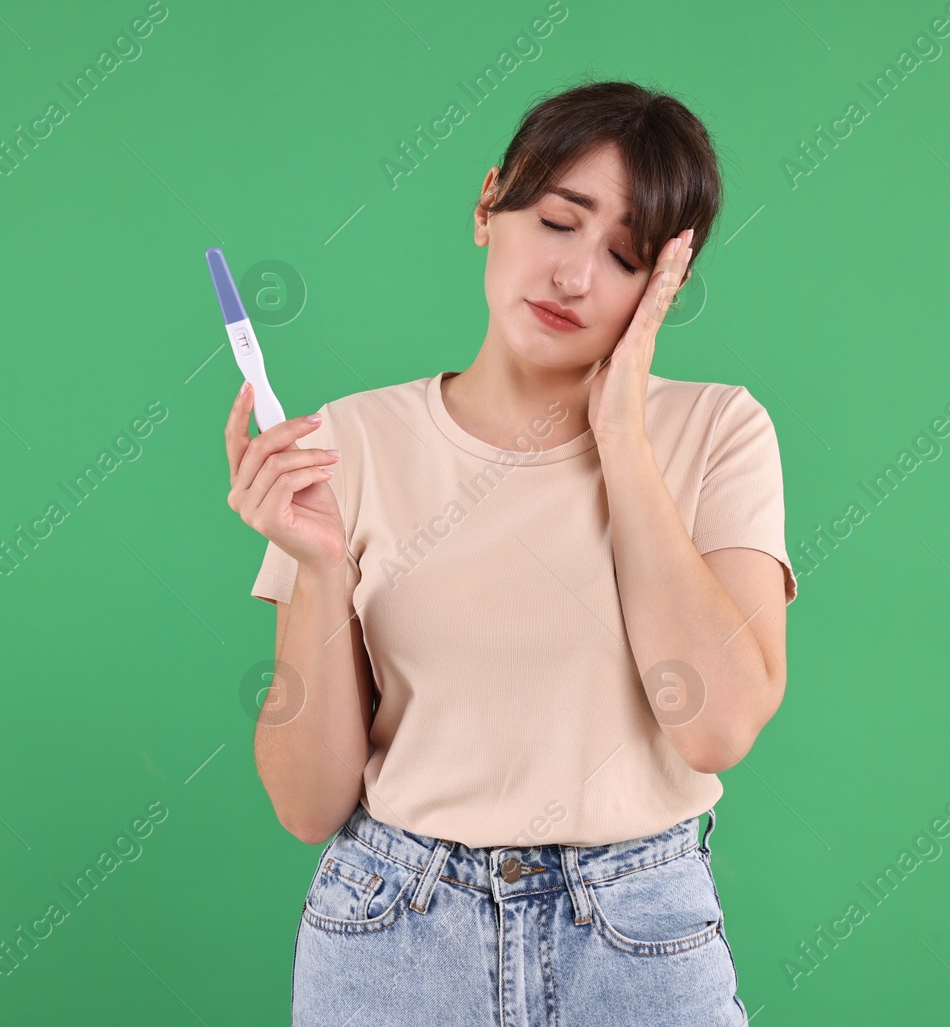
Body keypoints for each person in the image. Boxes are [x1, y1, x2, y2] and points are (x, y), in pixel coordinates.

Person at [226, 78, 795, 1026]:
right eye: (557, 221)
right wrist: (322, 569)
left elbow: (718, 726)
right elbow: (306, 805)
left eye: (624, 257)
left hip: (637, 937)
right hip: (391, 930)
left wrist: (621, 437)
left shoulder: (718, 431)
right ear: (489, 203)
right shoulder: (351, 443)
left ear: (665, 288)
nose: (575, 277)